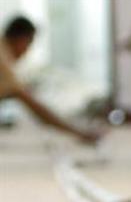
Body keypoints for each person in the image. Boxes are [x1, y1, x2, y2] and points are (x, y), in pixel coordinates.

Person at [0, 15, 100, 144]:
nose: (27, 51)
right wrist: (78, 133)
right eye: (29, 44)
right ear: (21, 40)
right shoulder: (3, 60)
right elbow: (34, 106)